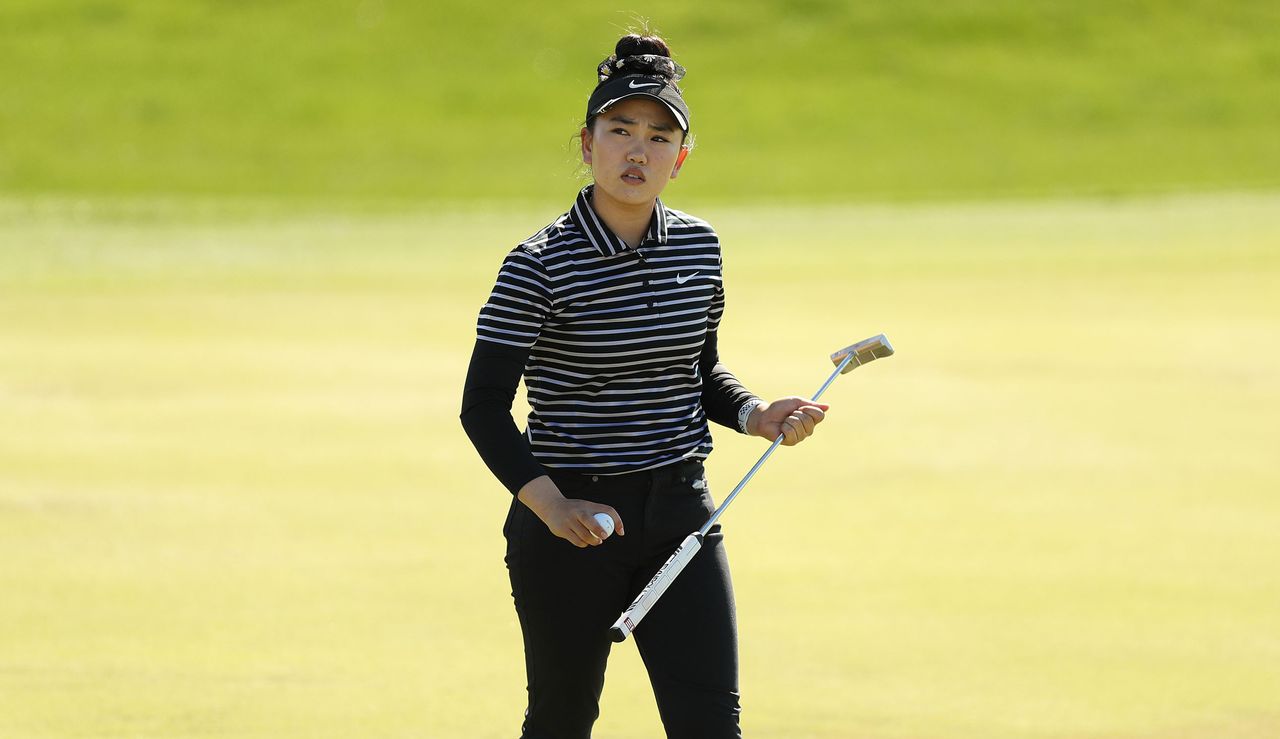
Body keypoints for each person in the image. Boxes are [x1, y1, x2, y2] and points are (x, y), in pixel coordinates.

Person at [460, 31, 829, 739]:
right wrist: (551, 505)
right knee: (563, 718)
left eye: (660, 137)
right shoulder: (536, 264)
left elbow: (699, 371)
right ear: (587, 142)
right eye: (620, 130)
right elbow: (481, 409)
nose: (638, 151)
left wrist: (757, 413)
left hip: (681, 517)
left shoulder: (700, 245)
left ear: (680, 158)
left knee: (710, 724)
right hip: (572, 522)